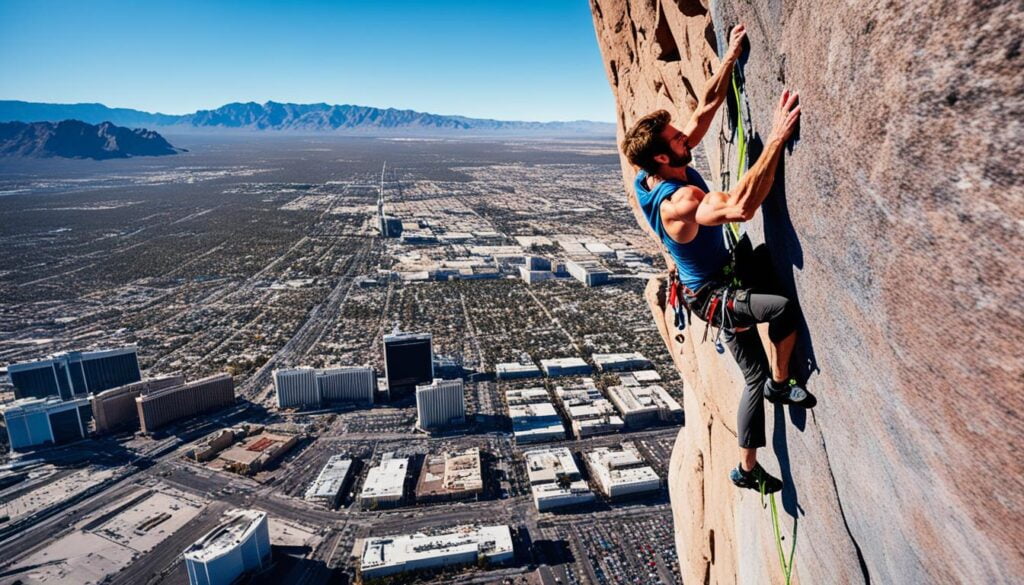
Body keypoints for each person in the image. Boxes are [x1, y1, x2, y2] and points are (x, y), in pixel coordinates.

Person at [620, 23, 814, 493]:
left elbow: (705, 111)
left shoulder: (649, 176)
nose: (684, 137)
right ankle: (782, 384)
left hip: (716, 280)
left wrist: (728, 59)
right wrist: (775, 139)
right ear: (663, 158)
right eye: (676, 139)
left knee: (752, 375)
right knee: (780, 311)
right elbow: (742, 206)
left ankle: (746, 469)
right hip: (713, 296)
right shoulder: (680, 200)